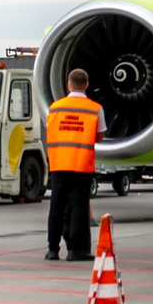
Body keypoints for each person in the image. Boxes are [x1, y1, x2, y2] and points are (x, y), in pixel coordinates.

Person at [43, 67, 103, 261]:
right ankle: (75, 250)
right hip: (82, 164)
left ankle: (53, 250)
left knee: (56, 207)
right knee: (79, 206)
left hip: (59, 163)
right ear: (86, 85)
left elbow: (51, 130)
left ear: (69, 84)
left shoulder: (55, 107)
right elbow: (100, 137)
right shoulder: (95, 108)